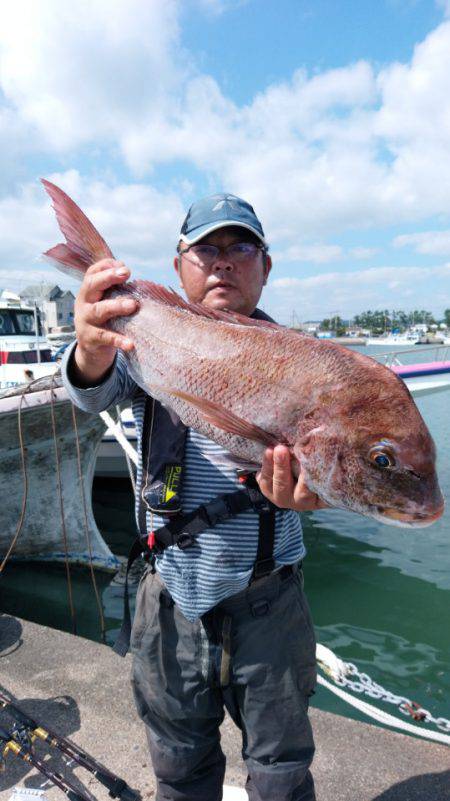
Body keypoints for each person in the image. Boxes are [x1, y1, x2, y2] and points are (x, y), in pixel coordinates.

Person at [61, 193, 327, 801]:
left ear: (266, 266)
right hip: (169, 593)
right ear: (178, 267)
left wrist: (321, 494)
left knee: (282, 770)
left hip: (270, 597)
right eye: (205, 249)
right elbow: (88, 393)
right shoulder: (146, 339)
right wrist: (91, 348)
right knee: (178, 765)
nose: (223, 262)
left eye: (241, 247)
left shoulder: (301, 359)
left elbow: (338, 459)